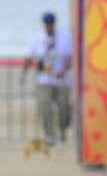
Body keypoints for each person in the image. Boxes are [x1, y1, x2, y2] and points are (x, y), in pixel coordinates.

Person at [20, 11, 73, 146]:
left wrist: (63, 70)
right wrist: (23, 75)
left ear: (54, 24)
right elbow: (29, 57)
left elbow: (71, 58)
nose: (49, 26)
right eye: (46, 23)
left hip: (62, 80)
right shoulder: (37, 38)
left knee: (64, 107)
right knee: (45, 106)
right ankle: (49, 134)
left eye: (51, 23)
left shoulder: (65, 38)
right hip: (44, 79)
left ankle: (62, 129)